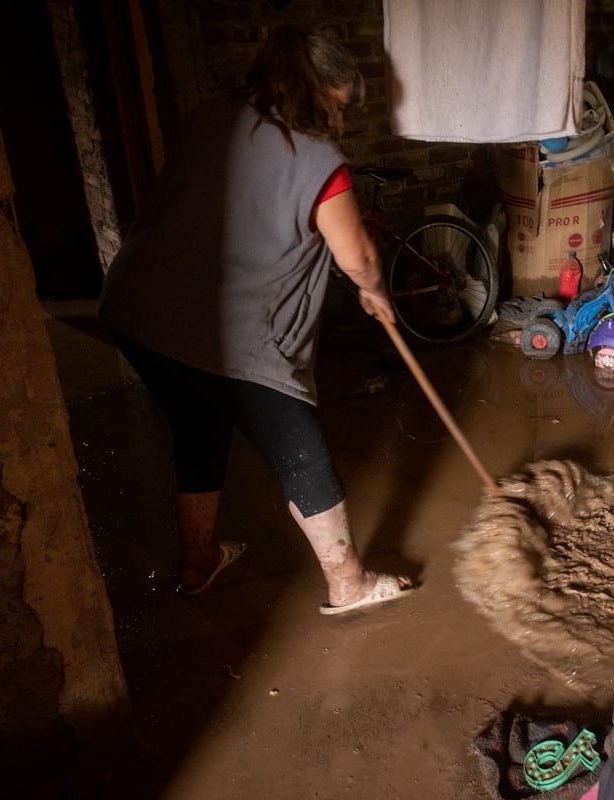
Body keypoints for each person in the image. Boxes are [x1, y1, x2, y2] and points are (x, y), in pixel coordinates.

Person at [98, 25, 414, 614]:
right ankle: (348, 582)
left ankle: (198, 561)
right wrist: (376, 293)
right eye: (336, 107)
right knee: (301, 452)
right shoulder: (320, 160)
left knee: (198, 426)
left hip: (140, 311)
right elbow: (359, 257)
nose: (339, 124)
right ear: (313, 91)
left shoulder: (209, 115)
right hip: (225, 329)